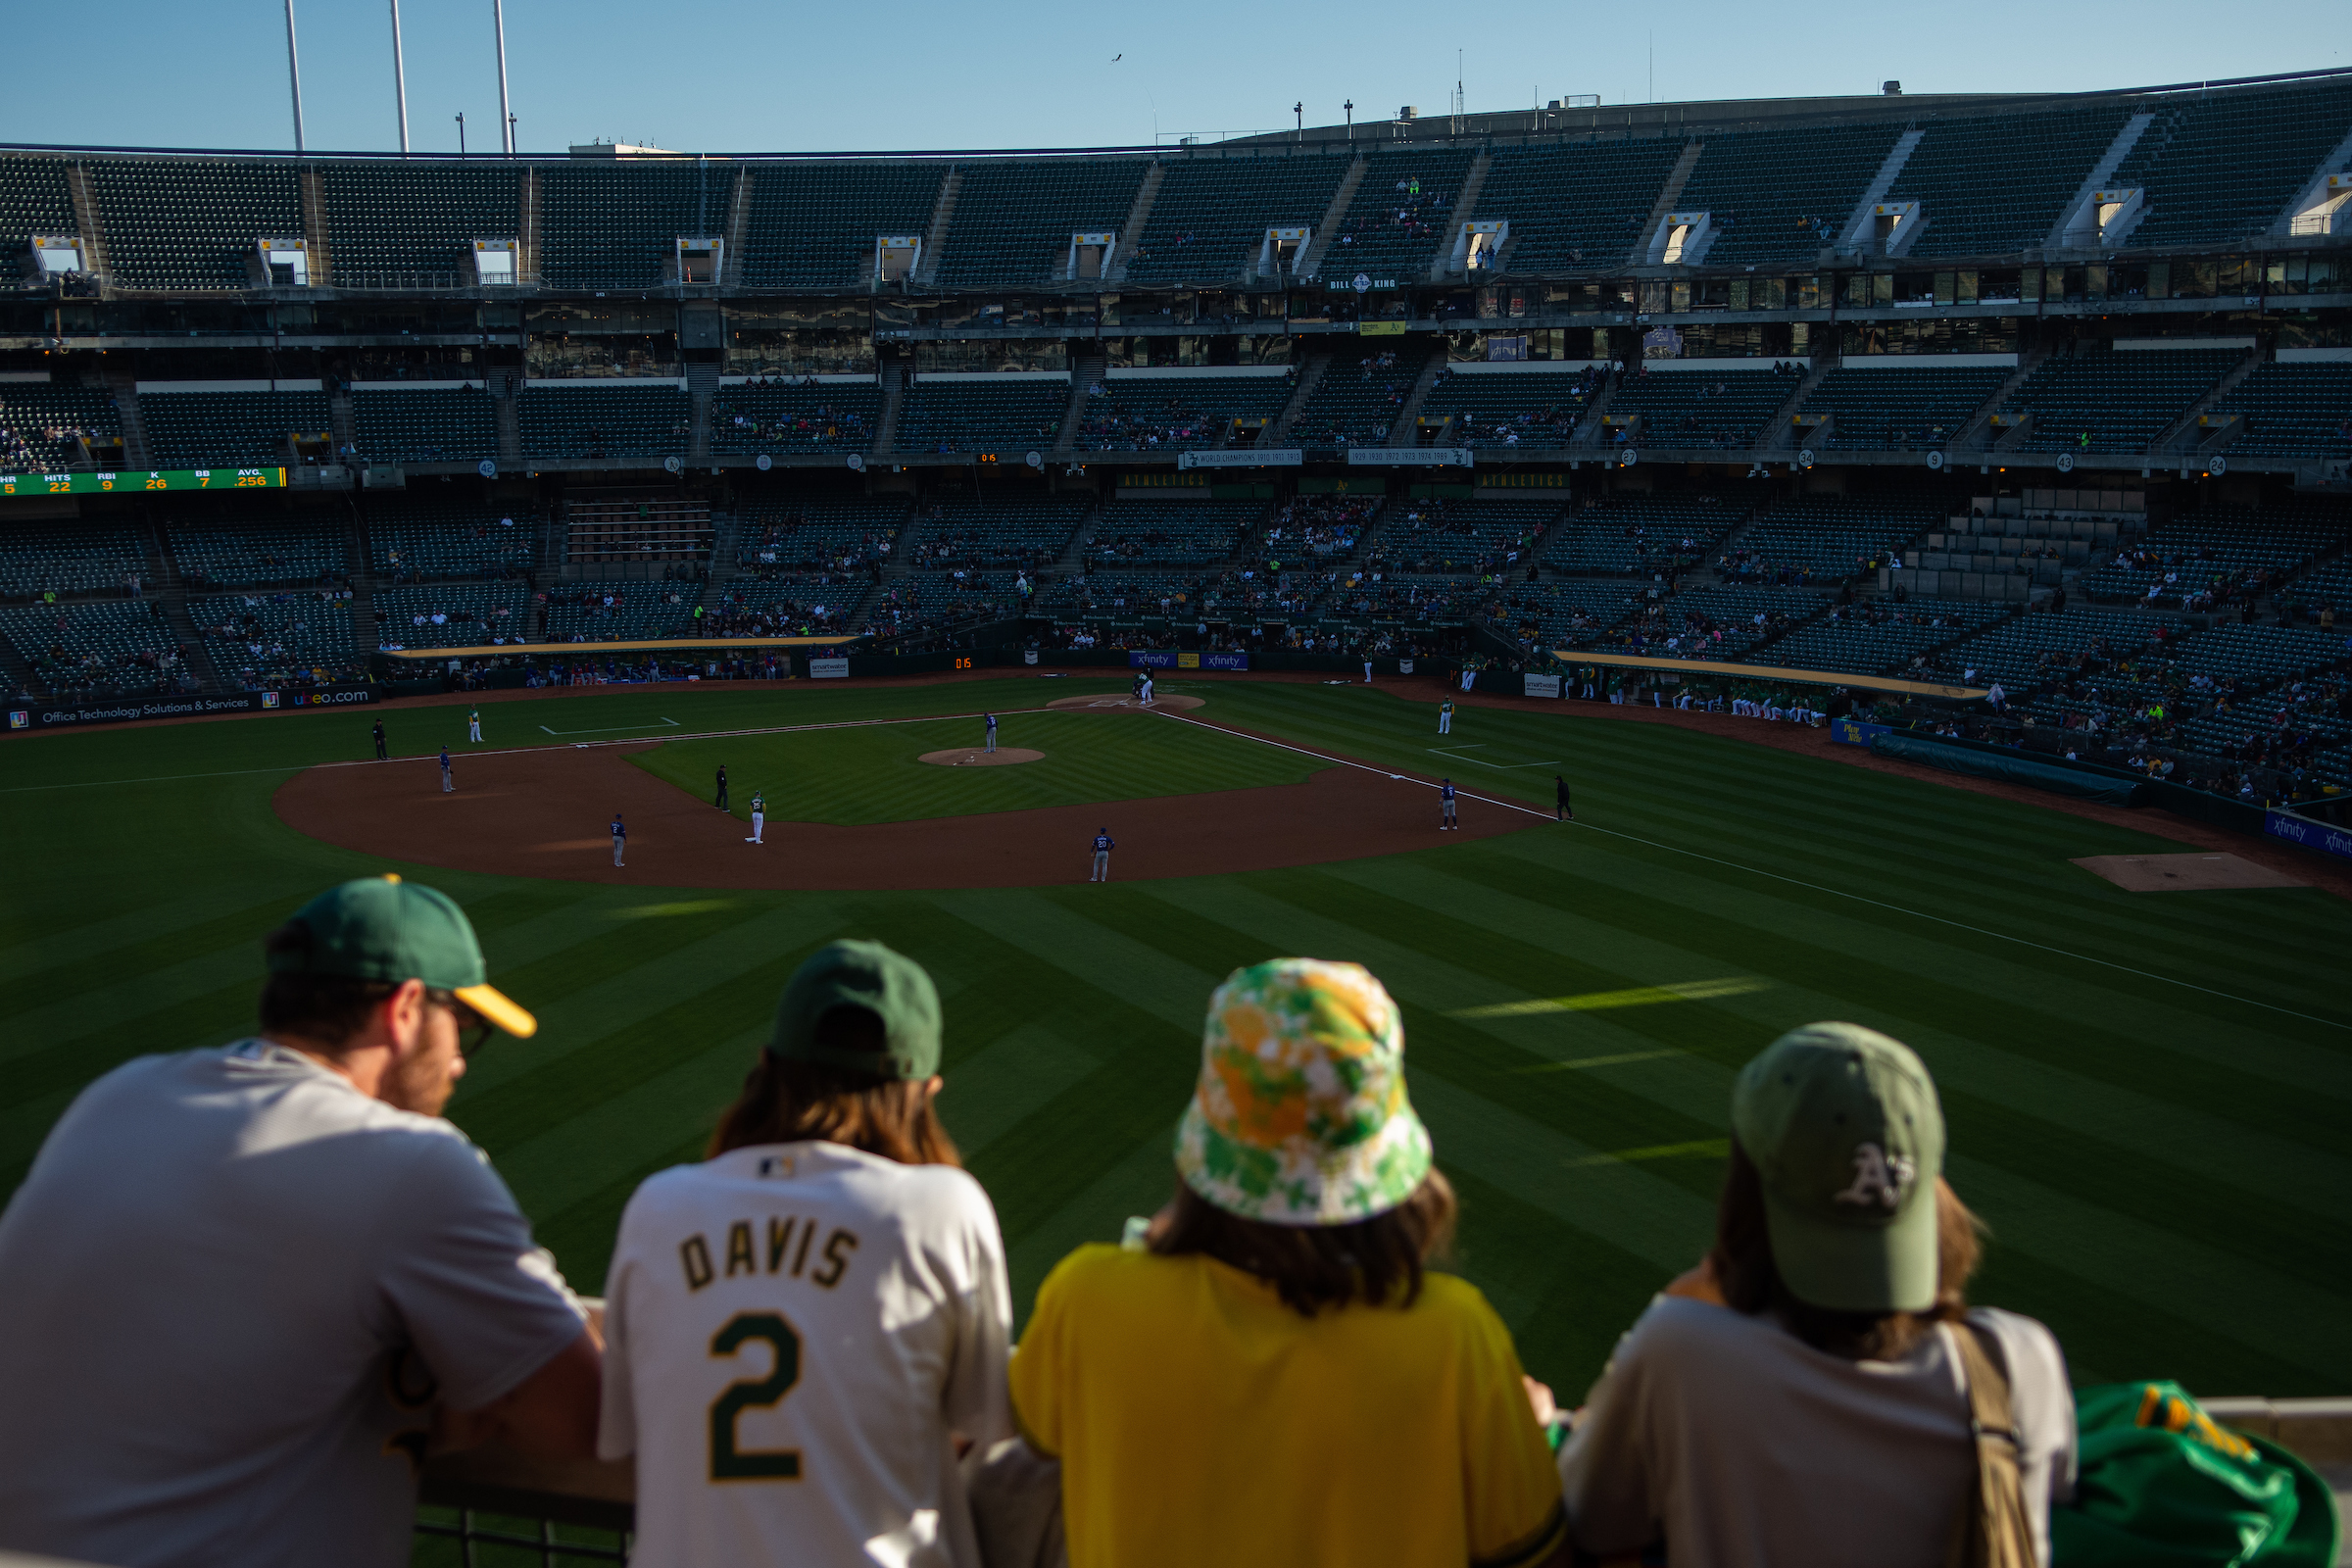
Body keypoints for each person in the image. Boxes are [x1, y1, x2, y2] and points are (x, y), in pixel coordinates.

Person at [0, 877, 598, 1568]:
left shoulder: (120, 1096)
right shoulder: (406, 1161)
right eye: (464, 1027)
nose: (461, 1059)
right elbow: (582, 1416)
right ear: (404, 1009)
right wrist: (435, 1395)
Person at [1009, 958, 1567, 1568]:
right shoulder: (1458, 1338)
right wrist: (1535, 1434)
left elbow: (1037, 1432)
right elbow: (1534, 1550)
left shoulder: (1089, 1296)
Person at [1554, 1023, 2076, 1568]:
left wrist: (1687, 1294)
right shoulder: (2020, 1360)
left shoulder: (1682, 1351)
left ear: (1747, 1187)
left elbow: (1592, 1520)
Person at [600, 941, 1011, 1567]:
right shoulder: (939, 1207)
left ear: (766, 1066)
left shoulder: (658, 1207)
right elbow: (979, 1424)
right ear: (924, 1093)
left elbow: (628, 1432)